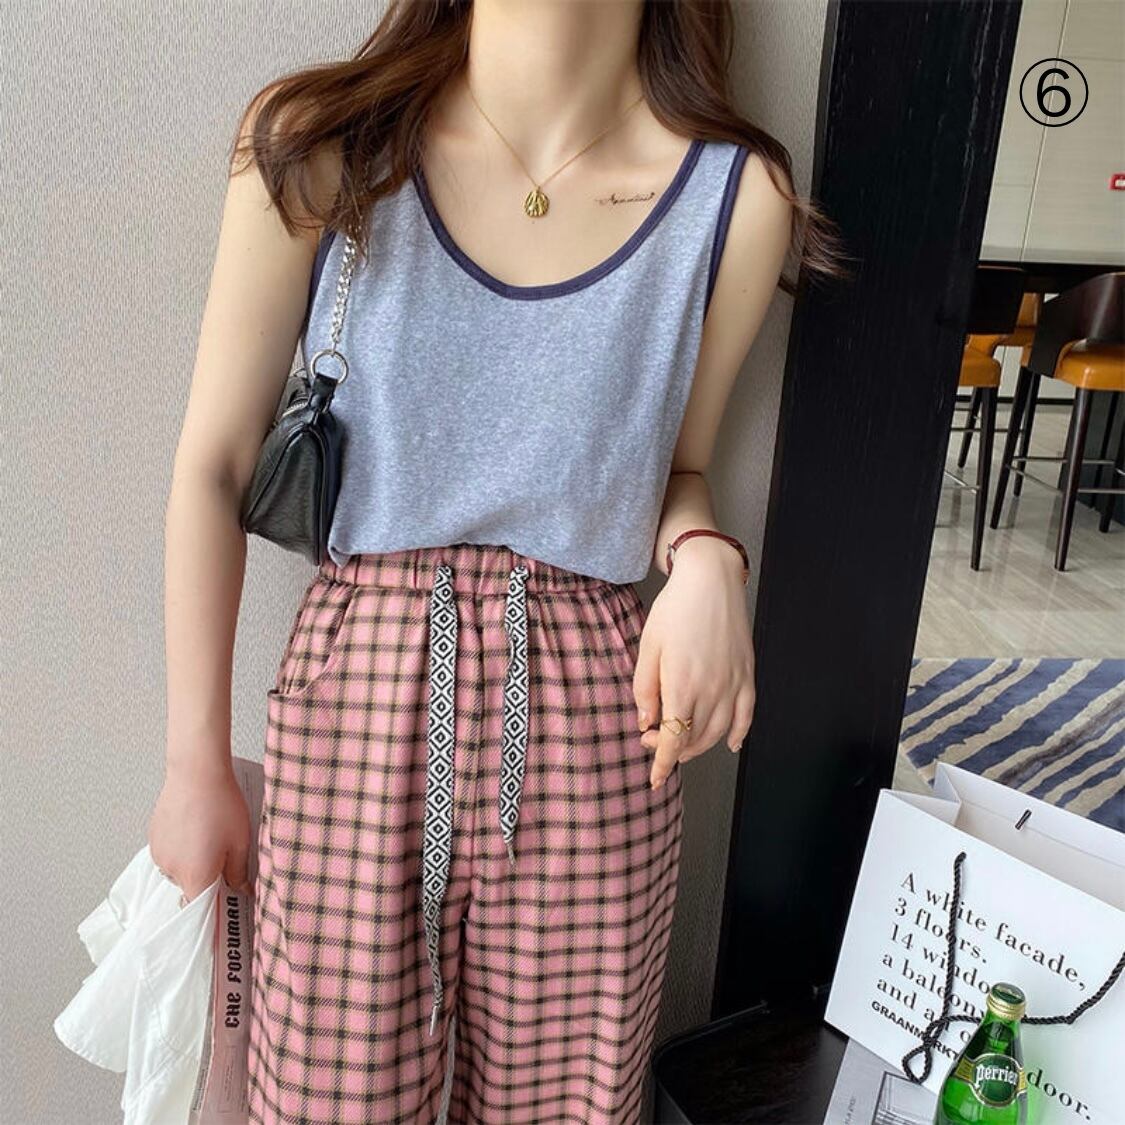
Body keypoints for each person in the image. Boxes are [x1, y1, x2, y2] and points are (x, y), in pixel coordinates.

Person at [147, 1, 844, 1122]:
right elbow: (213, 468)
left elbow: (677, 467)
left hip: (594, 725)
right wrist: (196, 765)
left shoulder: (735, 195)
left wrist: (709, 560)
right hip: (357, 710)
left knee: (571, 1102)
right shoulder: (325, 148)